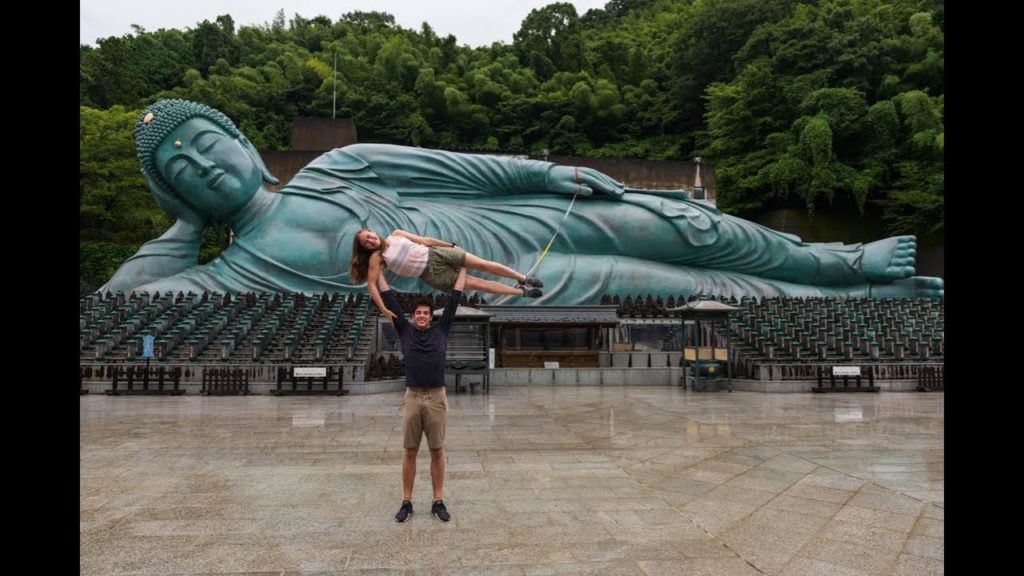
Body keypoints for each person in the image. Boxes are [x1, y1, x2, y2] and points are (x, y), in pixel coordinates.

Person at [100, 99, 943, 301]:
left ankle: (840, 260)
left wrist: (548, 175)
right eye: (183, 169)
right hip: (480, 289)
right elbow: (117, 304)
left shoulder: (339, 166)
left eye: (208, 144)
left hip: (506, 224)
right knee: (663, 282)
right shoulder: (241, 269)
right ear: (175, 190)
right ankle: (861, 292)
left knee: (671, 221)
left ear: (244, 143)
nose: (206, 168)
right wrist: (183, 229)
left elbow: (466, 169)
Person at [379, 265, 464, 522]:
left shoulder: (441, 330)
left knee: (437, 450)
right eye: (418, 313)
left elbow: (454, 300)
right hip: (413, 398)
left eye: (426, 313)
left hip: (436, 398)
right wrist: (377, 272)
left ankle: (438, 500)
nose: (422, 316)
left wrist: (462, 267)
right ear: (413, 316)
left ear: (431, 316)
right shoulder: (404, 331)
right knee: (410, 451)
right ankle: (407, 500)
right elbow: (388, 298)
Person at [349, 228, 543, 321]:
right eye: (366, 241)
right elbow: (372, 285)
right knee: (478, 284)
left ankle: (522, 278)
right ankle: (522, 292)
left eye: (370, 235)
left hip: (436, 253)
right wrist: (383, 308)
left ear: (373, 232)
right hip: (431, 274)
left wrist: (448, 245)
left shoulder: (397, 234)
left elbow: (425, 240)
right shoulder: (377, 257)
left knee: (482, 264)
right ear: (365, 248)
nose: (371, 240)